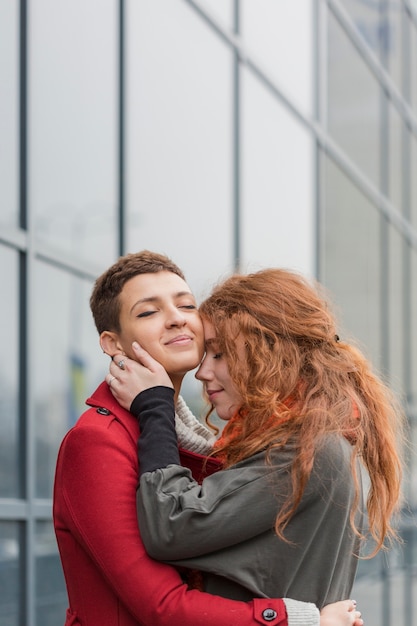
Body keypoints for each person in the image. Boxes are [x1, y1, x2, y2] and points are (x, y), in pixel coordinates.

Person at [53, 251, 363, 626]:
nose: (176, 318)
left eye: (186, 305)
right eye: (148, 312)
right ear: (113, 344)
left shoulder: (215, 442)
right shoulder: (97, 441)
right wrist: (305, 620)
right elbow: (160, 604)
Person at [108, 266, 404, 610]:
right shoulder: (309, 437)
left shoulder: (303, 448)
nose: (202, 372)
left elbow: (173, 526)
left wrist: (155, 408)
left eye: (219, 354)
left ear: (271, 357)